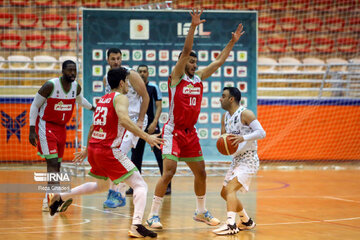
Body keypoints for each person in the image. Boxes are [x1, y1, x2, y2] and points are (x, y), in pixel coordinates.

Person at [146, 9, 245, 229]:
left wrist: (232, 42)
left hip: (190, 132)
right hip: (173, 131)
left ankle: (200, 212)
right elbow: (185, 50)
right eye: (189, 61)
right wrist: (193, 27)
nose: (192, 63)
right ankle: (153, 215)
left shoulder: (198, 78)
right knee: (169, 172)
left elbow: (219, 61)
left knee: (201, 172)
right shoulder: (176, 78)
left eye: (194, 62)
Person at [47, 67, 163, 238]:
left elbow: (94, 127)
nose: (129, 87)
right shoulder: (121, 98)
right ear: (122, 82)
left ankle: (60, 196)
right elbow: (124, 120)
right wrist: (147, 137)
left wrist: (88, 148)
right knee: (140, 185)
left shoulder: (102, 99)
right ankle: (137, 225)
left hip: (95, 148)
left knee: (100, 186)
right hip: (109, 151)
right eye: (128, 83)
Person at [29, 60, 96, 212]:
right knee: (52, 163)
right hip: (46, 126)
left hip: (61, 128)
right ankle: (54, 200)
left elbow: (80, 101)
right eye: (69, 70)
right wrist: (32, 129)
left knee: (57, 165)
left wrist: (93, 108)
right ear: (62, 71)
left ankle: (48, 200)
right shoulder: (50, 86)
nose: (72, 73)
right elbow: (35, 105)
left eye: (74, 71)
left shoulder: (75, 87)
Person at [213, 87, 266, 235]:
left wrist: (243, 137)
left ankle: (231, 225)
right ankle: (246, 221)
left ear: (231, 99)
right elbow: (224, 138)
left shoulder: (245, 113)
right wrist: (223, 144)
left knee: (230, 189)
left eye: (223, 96)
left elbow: (262, 133)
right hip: (236, 159)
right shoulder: (225, 117)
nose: (220, 99)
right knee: (224, 193)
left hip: (249, 159)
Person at [102, 48, 150, 208]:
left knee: (119, 153)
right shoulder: (106, 79)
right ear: (108, 60)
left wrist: (141, 120)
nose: (116, 61)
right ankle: (114, 192)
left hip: (134, 120)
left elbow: (146, 97)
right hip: (118, 123)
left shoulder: (131, 75)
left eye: (118, 58)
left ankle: (119, 193)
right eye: (113, 59)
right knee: (112, 155)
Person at [126, 64, 171, 196]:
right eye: (140, 71)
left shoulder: (153, 88)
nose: (142, 74)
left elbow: (159, 107)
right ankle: (134, 185)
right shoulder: (132, 88)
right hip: (137, 125)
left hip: (151, 125)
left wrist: (154, 122)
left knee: (160, 155)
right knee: (136, 156)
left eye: (144, 71)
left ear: (148, 73)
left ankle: (167, 185)